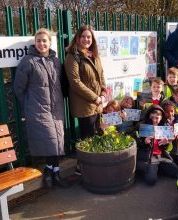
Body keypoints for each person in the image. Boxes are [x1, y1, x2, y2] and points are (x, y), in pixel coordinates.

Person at [14, 28, 69, 189]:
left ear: (49, 43)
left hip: (56, 108)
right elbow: (19, 88)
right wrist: (30, 104)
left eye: (45, 40)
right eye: (39, 41)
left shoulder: (55, 61)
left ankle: (53, 172)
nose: (41, 43)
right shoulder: (28, 61)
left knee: (57, 141)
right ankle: (51, 173)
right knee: (52, 141)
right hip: (38, 109)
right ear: (35, 43)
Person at [64, 25, 106, 175]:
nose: (86, 39)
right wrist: (95, 97)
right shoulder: (72, 56)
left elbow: (101, 76)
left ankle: (91, 166)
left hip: (97, 103)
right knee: (87, 138)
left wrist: (103, 93)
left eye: (89, 37)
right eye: (83, 37)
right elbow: (75, 82)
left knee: (95, 135)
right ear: (77, 38)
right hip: (84, 105)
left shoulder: (93, 54)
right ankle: (82, 168)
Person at [136, 105, 178, 185]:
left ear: (161, 117)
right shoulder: (142, 126)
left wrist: (166, 142)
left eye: (157, 118)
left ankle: (158, 168)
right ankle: (154, 168)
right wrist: (144, 142)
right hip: (150, 156)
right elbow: (137, 142)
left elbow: (166, 147)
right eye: (152, 117)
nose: (154, 120)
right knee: (151, 180)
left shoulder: (164, 127)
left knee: (177, 173)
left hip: (161, 155)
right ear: (149, 116)